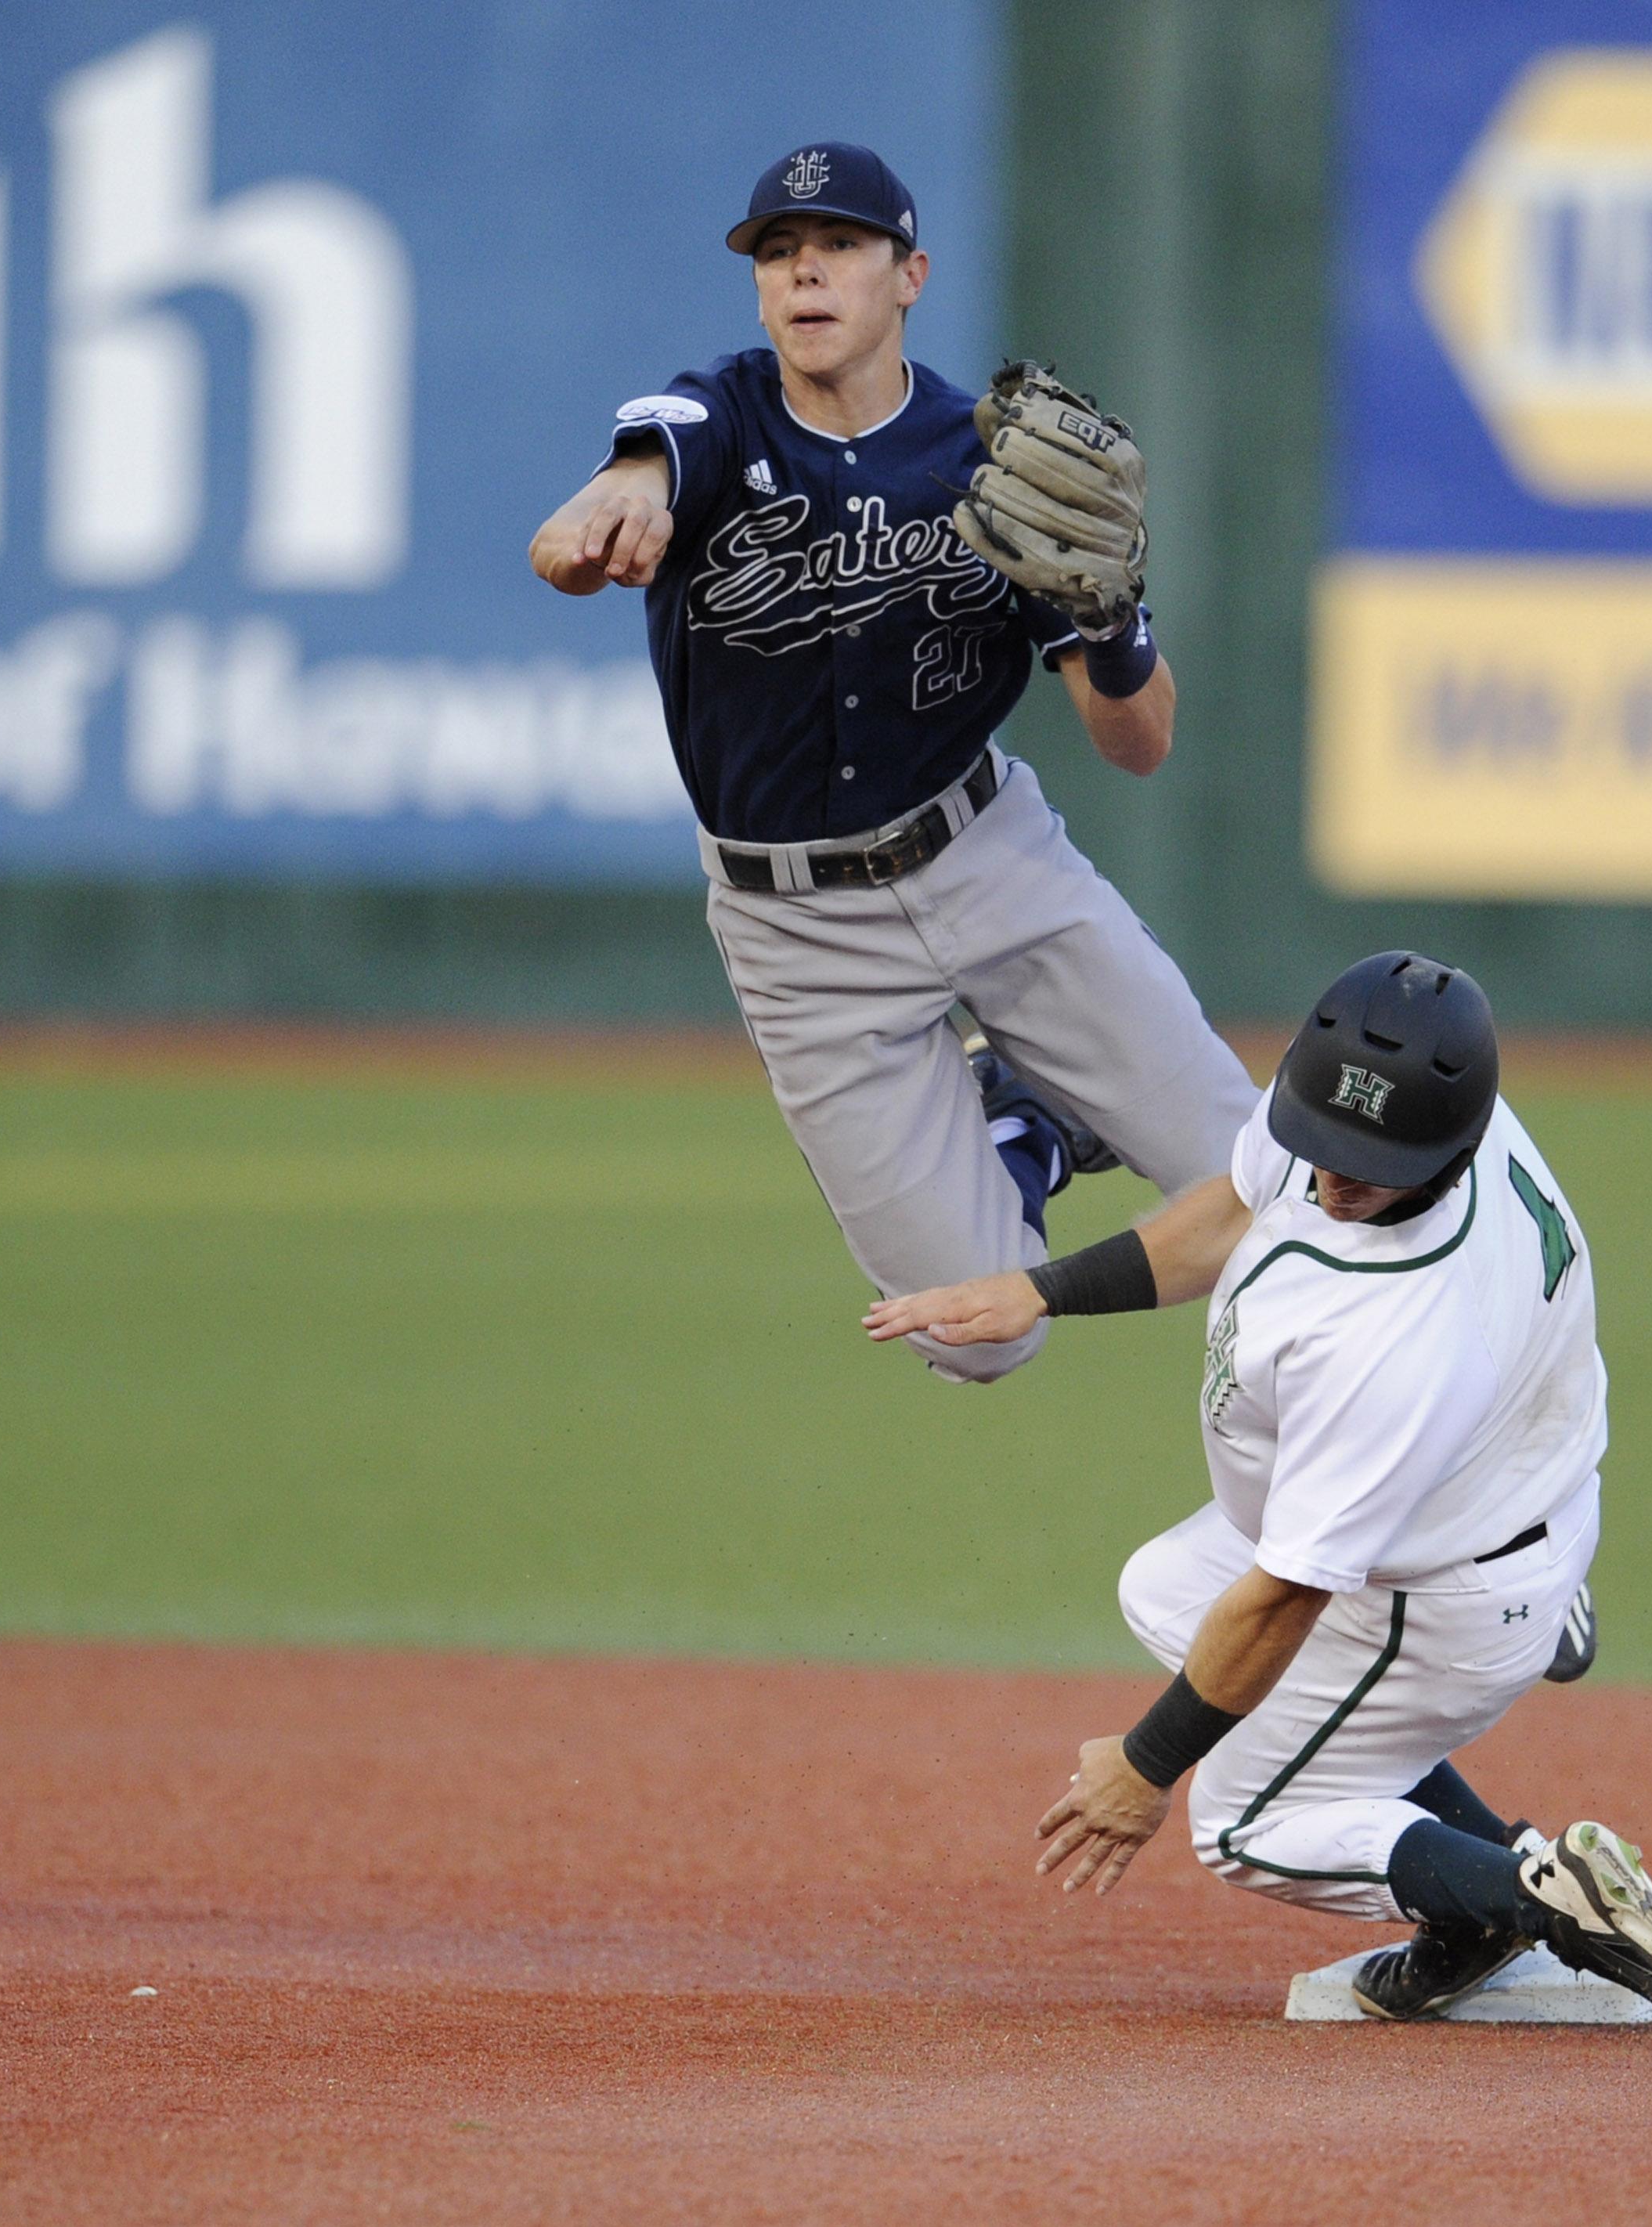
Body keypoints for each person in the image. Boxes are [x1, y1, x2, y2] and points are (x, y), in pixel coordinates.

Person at [865, 951, 1652, 2031]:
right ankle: (1505, 1827)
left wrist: (1145, 1768)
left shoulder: (1399, 1339)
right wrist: (1041, 1291)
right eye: (1325, 1139)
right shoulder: (1414, 1111)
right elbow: (1240, 1206)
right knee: (1165, 1592)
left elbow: (1289, 1594)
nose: (1335, 1175)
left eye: (1368, 1165)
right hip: (1509, 1483)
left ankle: (1529, 1905)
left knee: (1240, 1820)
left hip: (1436, 1593)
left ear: (1445, 1142)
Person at [528, 141, 1258, 1383]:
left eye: (841, 245)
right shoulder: (713, 418)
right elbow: (604, 500)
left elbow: (1140, 746)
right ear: (760, 290)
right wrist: (607, 507)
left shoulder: (989, 464)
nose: (805, 270)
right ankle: (1032, 1124)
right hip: (800, 936)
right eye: (778, 251)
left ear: (909, 273)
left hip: (991, 863)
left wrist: (1112, 621)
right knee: (984, 1337)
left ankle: (1038, 1097)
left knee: (1261, 1198)